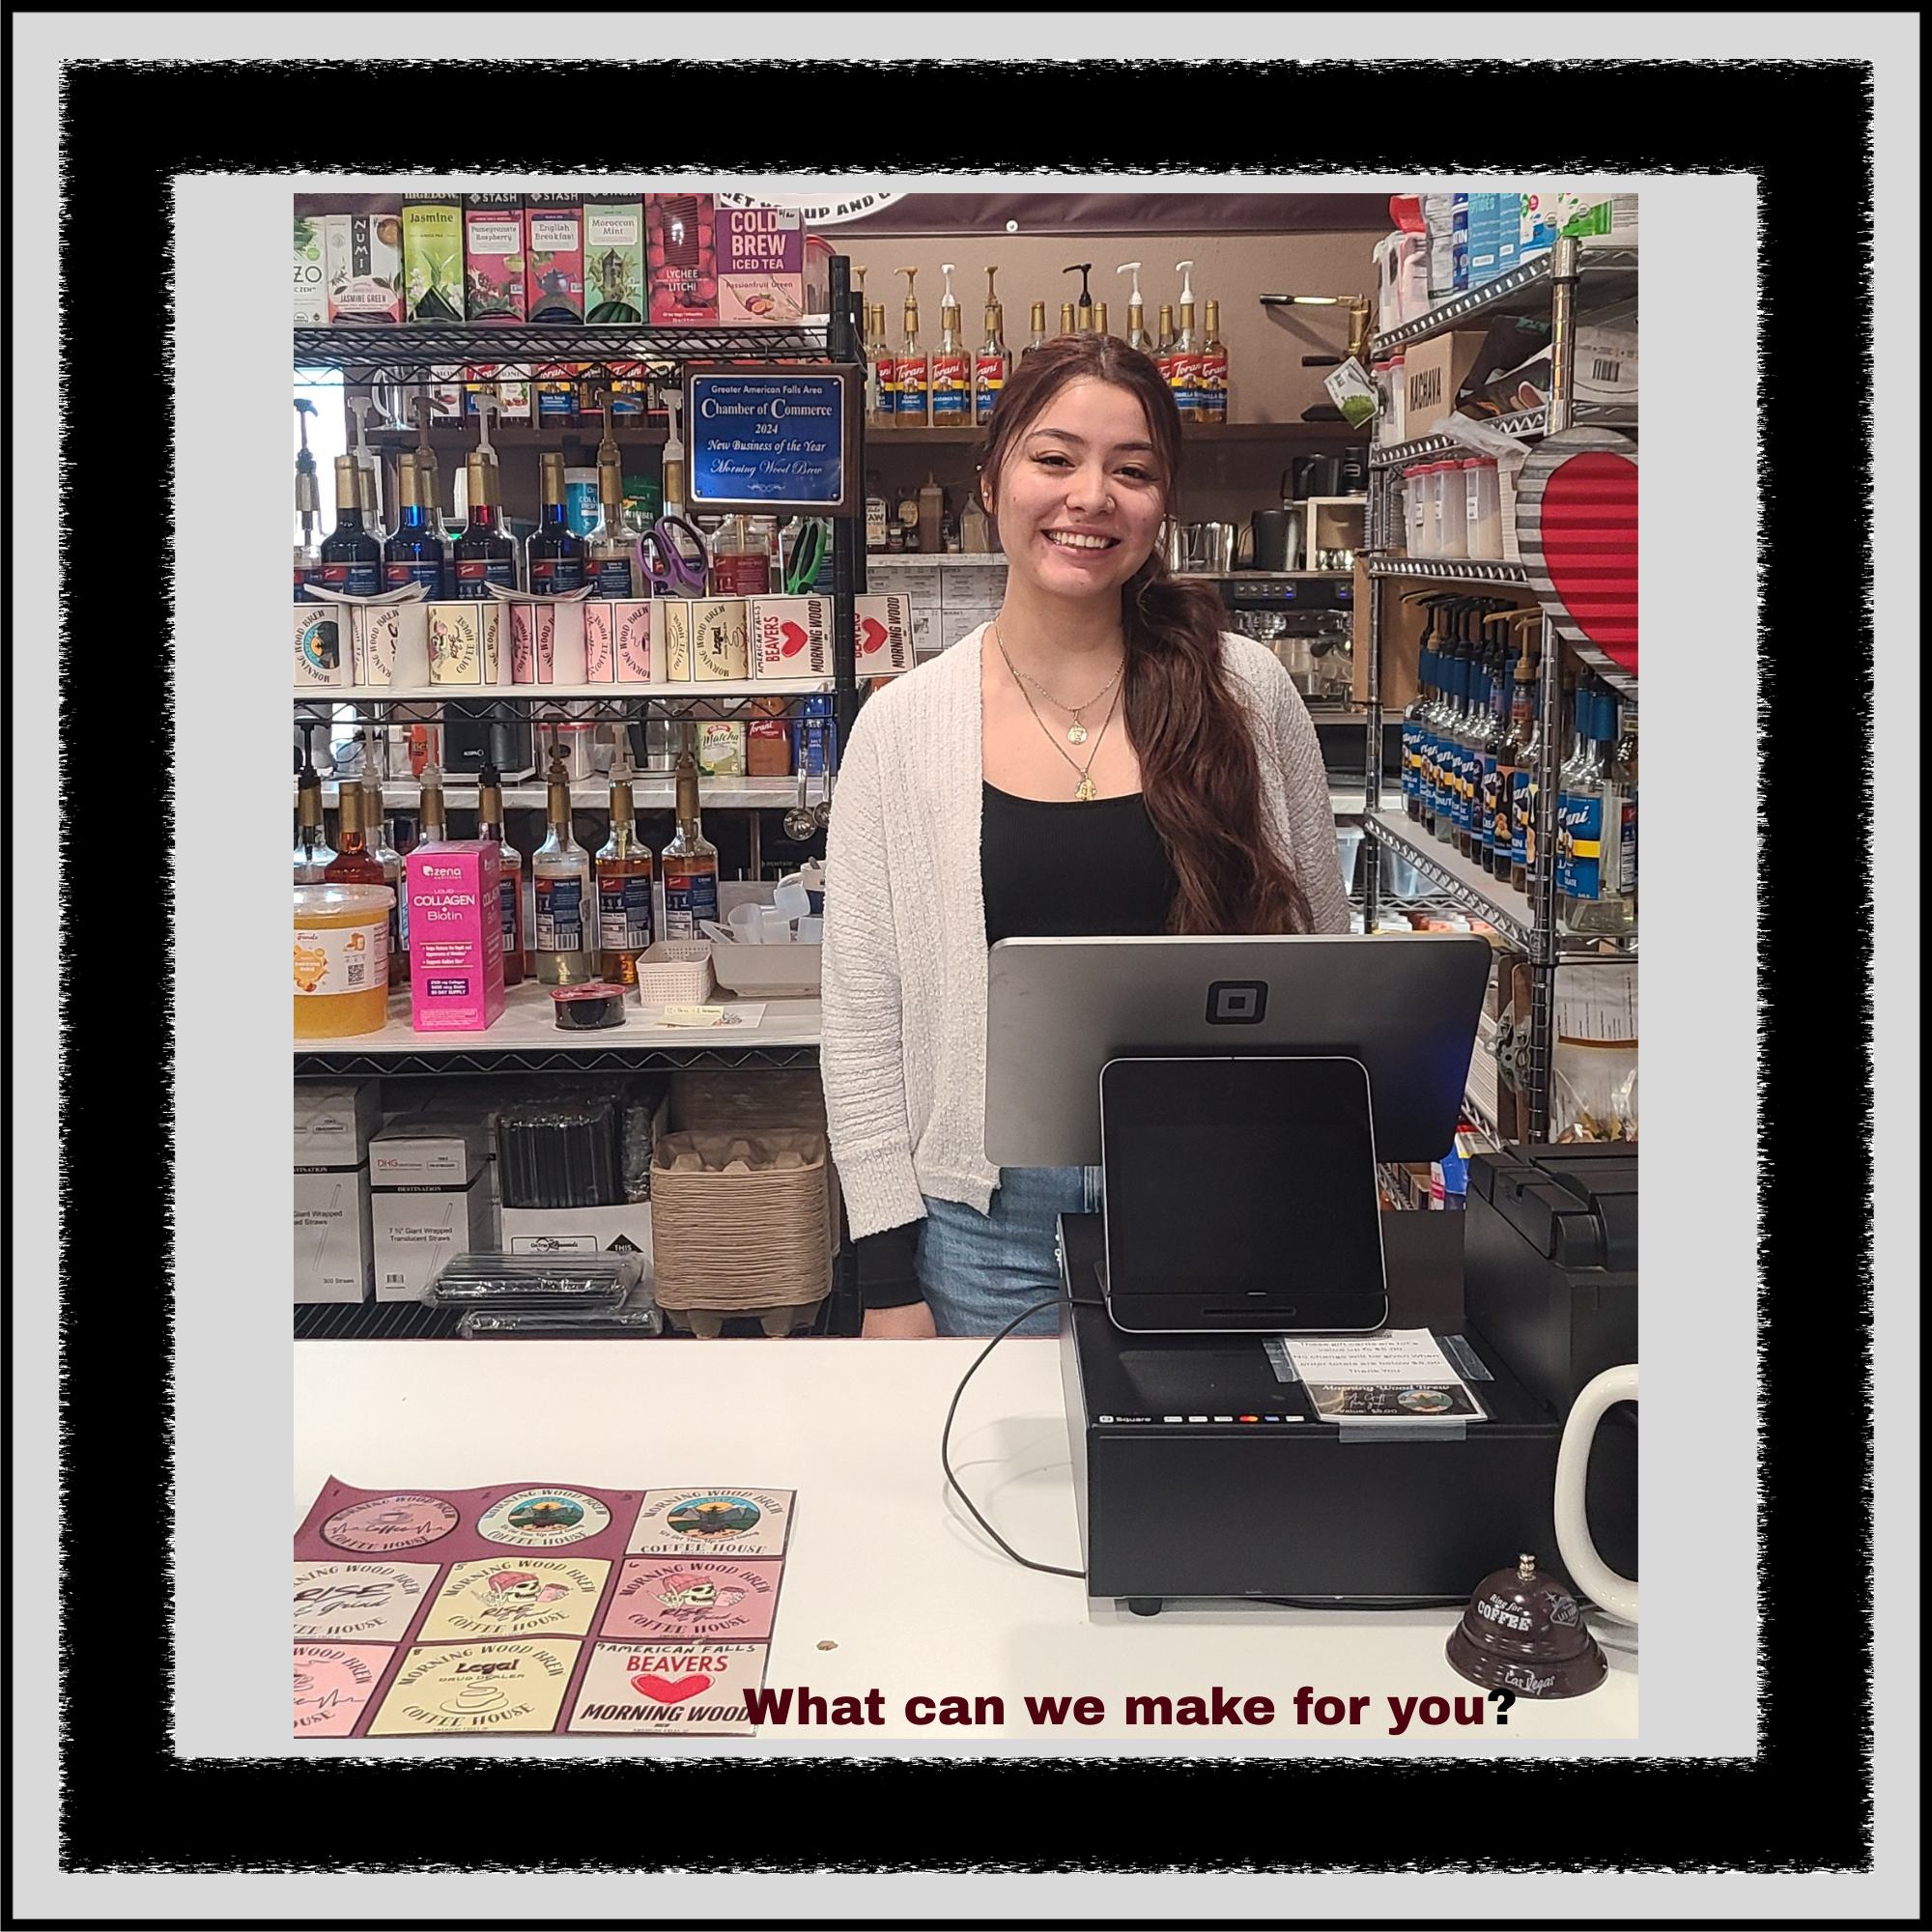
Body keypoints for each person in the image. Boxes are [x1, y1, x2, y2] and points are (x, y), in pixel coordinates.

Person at [821, 332, 1351, 1340]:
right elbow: (862, 1023)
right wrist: (887, 1279)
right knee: (998, 1493)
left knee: (1205, 1494)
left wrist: (1331, 1184)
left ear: (1164, 501)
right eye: (1054, 457)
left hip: (1225, 1197)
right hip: (987, 1223)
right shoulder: (903, 725)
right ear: (991, 478)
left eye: (1132, 469)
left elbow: (1321, 962)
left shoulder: (1245, 693)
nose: (1090, 495)